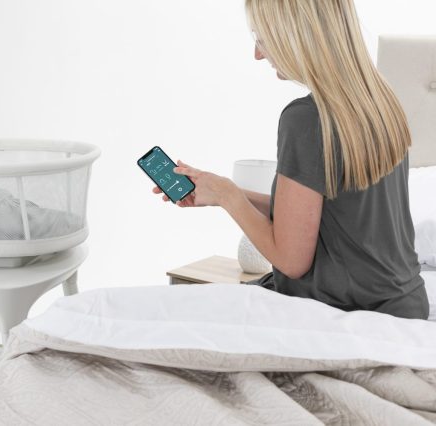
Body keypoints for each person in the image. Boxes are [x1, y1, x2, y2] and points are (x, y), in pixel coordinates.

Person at [154, 0, 428, 320]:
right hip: (405, 307)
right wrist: (220, 190)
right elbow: (328, 216)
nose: (258, 54)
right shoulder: (382, 101)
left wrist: (229, 196)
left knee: (179, 315)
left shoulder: (307, 118)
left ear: (296, 36)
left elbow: (291, 261)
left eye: (262, 38)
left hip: (342, 311)